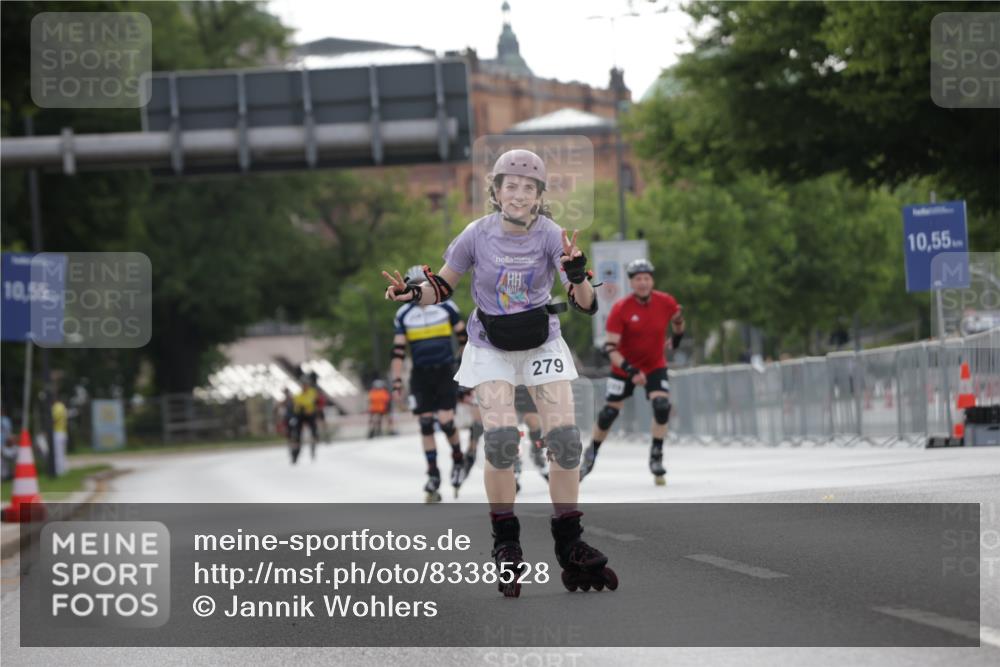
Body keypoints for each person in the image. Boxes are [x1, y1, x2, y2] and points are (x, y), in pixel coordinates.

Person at [383, 148, 617, 596]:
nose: (519, 194)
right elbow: (442, 287)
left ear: (539, 196)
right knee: (502, 441)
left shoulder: (551, 235)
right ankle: (506, 541)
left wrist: (577, 274)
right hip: (490, 343)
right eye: (511, 186)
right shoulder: (476, 234)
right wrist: (412, 294)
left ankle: (570, 542)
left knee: (566, 441)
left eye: (529, 188)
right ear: (496, 190)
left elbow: (585, 304)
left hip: (541, 341)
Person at [582, 258, 684, 486]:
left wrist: (677, 337)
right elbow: (610, 348)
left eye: (647, 278)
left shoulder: (665, 301)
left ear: (652, 280)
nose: (643, 283)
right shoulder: (621, 308)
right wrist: (631, 370)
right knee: (609, 413)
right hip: (624, 367)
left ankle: (656, 455)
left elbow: (678, 318)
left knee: (662, 406)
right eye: (638, 279)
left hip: (654, 365)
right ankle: (592, 453)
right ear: (631, 283)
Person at [390, 267, 469, 501]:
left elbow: (464, 340)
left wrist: (465, 369)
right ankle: (433, 474)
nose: (420, 289)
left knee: (446, 422)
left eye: (423, 284)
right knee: (425, 424)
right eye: (415, 285)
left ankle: (458, 458)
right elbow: (398, 351)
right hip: (420, 374)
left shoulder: (446, 307)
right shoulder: (404, 314)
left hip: (445, 370)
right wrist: (396, 381)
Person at [292, 373, 320, 463]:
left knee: (314, 432)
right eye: (303, 384)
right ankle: (295, 454)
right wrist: (304, 406)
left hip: (310, 415)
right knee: (296, 435)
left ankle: (313, 448)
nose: (305, 386)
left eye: (306, 384)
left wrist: (305, 406)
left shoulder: (312, 392)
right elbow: (297, 406)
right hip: (300, 415)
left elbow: (314, 401)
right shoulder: (298, 395)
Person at [51, 395, 69, 476]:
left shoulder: (56, 407)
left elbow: (54, 419)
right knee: (63, 453)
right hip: (64, 432)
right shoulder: (63, 407)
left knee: (58, 453)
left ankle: (59, 471)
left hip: (57, 432)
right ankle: (64, 469)